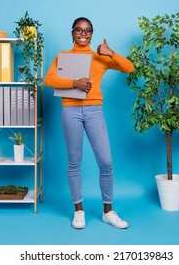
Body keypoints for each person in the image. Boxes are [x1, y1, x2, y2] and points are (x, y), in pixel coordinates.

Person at [44, 17, 134, 229]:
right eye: (79, 30)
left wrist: (111, 53)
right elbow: (48, 80)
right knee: (74, 161)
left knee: (106, 162)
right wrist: (74, 83)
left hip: (94, 110)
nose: (83, 34)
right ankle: (79, 211)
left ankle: (108, 211)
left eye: (88, 31)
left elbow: (129, 68)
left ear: (92, 34)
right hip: (70, 110)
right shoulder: (63, 57)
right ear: (72, 33)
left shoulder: (100, 57)